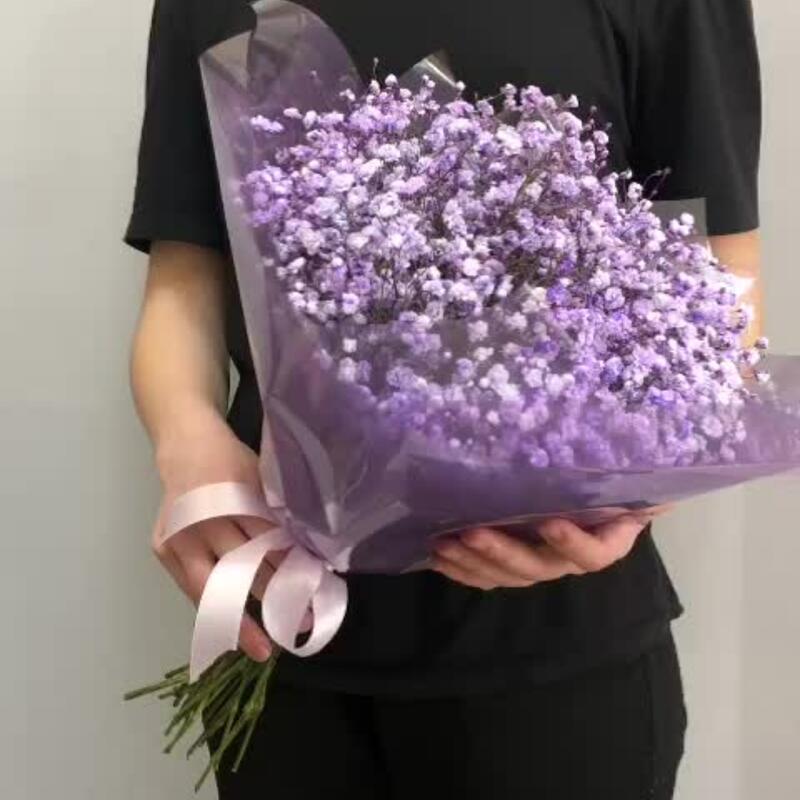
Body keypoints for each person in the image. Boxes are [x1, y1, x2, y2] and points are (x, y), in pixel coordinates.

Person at [125, 0, 762, 797]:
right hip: (288, 618)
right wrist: (187, 441)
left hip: (556, 655)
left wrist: (626, 503)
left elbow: (717, 300)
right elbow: (182, 289)